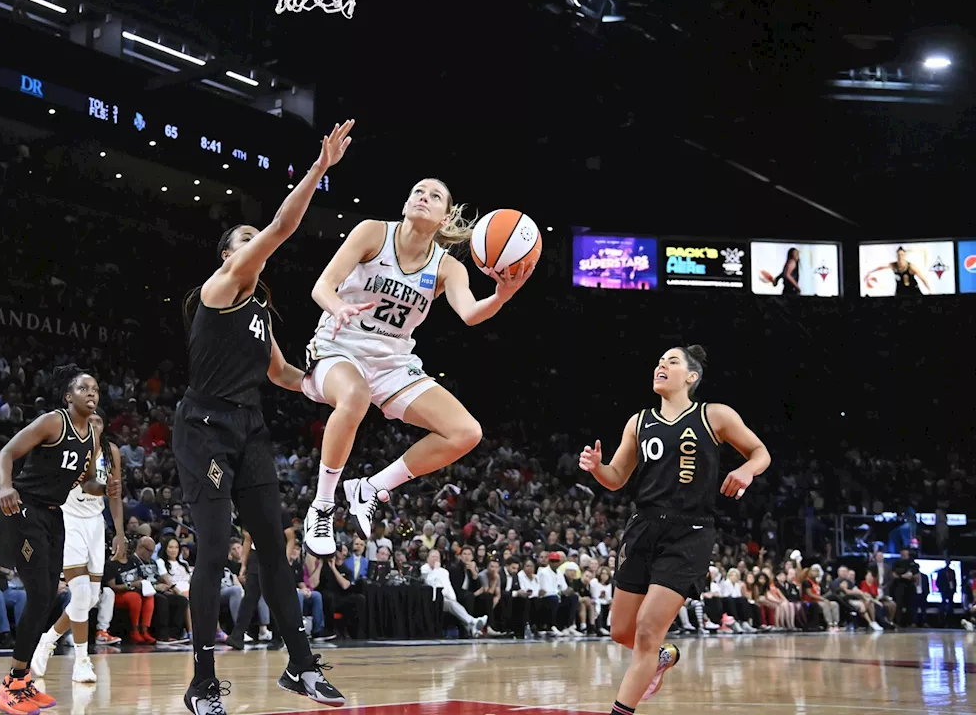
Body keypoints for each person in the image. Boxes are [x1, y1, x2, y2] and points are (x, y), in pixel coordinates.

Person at [174, 121, 354, 714]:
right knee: (216, 545)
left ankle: (300, 667)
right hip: (204, 430)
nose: (258, 246)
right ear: (231, 255)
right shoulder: (220, 287)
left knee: (275, 549)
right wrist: (320, 168)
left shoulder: (261, 313)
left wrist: (341, 389)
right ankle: (202, 682)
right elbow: (281, 226)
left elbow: (283, 375)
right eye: (246, 240)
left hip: (249, 430)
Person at [299, 178, 535, 555]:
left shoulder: (447, 268)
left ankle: (371, 488)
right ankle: (323, 505)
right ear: (406, 204)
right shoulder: (373, 234)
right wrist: (338, 306)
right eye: (417, 192)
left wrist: (501, 296)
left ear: (443, 220)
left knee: (466, 432)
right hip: (339, 346)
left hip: (393, 362)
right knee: (355, 395)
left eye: (435, 196)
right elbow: (322, 286)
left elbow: (471, 315)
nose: (423, 197)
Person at [579, 345, 771, 715]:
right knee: (622, 631)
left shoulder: (714, 415)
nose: (661, 366)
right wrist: (598, 467)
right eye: (659, 361)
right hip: (644, 528)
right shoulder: (638, 422)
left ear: (691, 377)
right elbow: (618, 478)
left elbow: (760, 451)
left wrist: (747, 470)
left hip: (690, 531)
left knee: (648, 632)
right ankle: (665, 656)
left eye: (671, 362)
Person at [0, 365, 101, 715]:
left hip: (55, 514)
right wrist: (6, 486)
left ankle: (22, 681)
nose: (92, 393)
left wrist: (103, 487)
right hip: (24, 508)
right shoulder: (54, 421)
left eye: (96, 389)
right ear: (69, 396)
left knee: (50, 595)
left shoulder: (93, 437)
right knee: (38, 594)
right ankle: (12, 682)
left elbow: (85, 483)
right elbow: (5, 454)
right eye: (84, 388)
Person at [29, 412, 123, 684]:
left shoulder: (111, 451)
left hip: (96, 524)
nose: (93, 425)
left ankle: (48, 639)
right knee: (81, 594)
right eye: (89, 421)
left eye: (98, 422)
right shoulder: (68, 448)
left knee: (92, 599)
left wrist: (119, 533)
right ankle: (82, 661)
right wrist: (105, 488)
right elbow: (89, 484)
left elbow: (116, 494)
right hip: (68, 520)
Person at [864, 246, 930, 296]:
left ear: (904, 256)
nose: (900, 257)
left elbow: (923, 278)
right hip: (900, 290)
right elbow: (881, 267)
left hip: (913, 290)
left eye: (902, 255)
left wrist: (929, 290)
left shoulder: (911, 267)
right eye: (899, 255)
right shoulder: (894, 265)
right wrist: (870, 271)